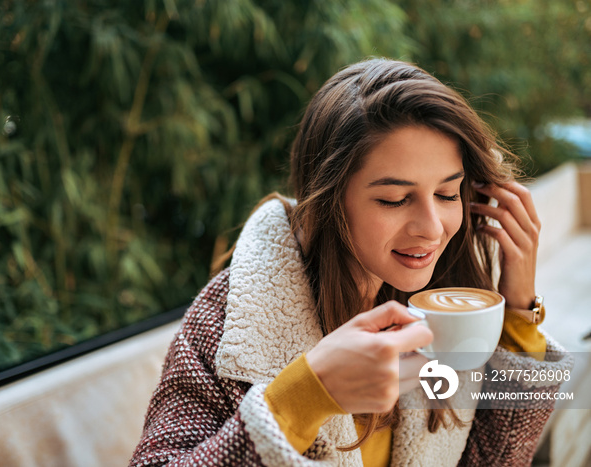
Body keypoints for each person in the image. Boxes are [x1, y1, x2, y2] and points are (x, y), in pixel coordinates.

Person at [128, 58, 572, 466]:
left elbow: (492, 460)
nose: (433, 228)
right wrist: (305, 395)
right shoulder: (230, 321)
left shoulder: (440, 304)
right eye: (395, 199)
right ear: (328, 201)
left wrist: (518, 309)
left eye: (446, 193)